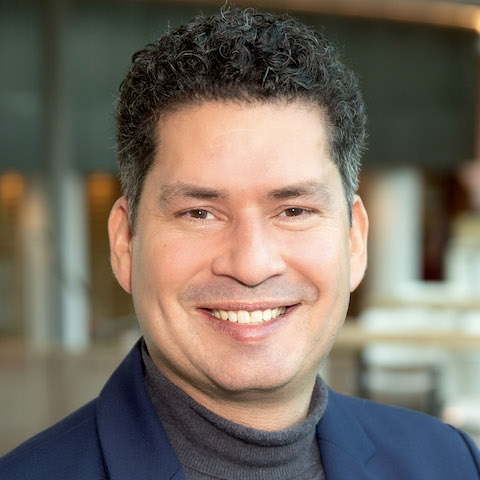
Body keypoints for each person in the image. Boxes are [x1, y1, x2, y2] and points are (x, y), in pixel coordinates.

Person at [1, 7, 479, 480]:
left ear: (354, 240)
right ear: (126, 242)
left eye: (293, 211)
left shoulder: (450, 462)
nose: (251, 264)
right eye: (200, 213)